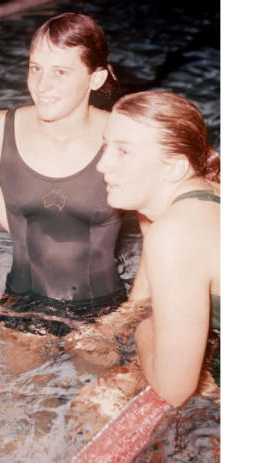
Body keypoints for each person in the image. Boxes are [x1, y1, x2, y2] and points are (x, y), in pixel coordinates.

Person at [0, 12, 129, 372]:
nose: (42, 84)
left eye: (61, 72)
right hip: (22, 304)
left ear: (95, 78)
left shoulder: (122, 138)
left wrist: (129, 315)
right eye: (36, 68)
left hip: (100, 313)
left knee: (97, 410)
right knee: (17, 416)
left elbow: (167, 230)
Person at [94, 90, 220, 408]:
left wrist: (143, 328)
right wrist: (107, 331)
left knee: (97, 402)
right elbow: (140, 297)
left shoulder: (176, 232)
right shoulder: (204, 191)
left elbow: (173, 390)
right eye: (106, 144)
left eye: (123, 151)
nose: (102, 164)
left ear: (174, 169)